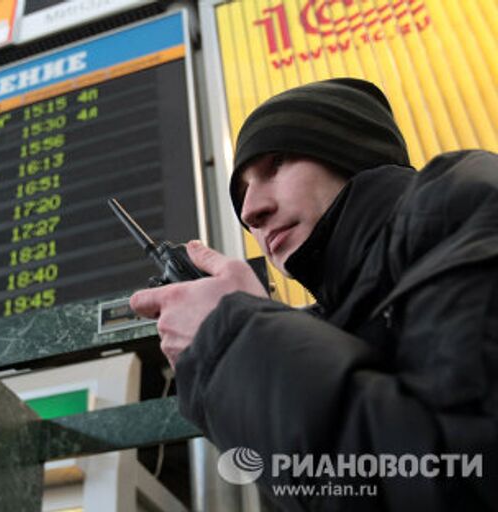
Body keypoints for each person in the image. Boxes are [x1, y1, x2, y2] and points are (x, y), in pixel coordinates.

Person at [130, 78, 498, 510]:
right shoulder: (327, 331)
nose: (251, 211)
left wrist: (236, 345)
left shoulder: (465, 200)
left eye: (277, 163)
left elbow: (465, 476)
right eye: (242, 192)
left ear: (350, 150)